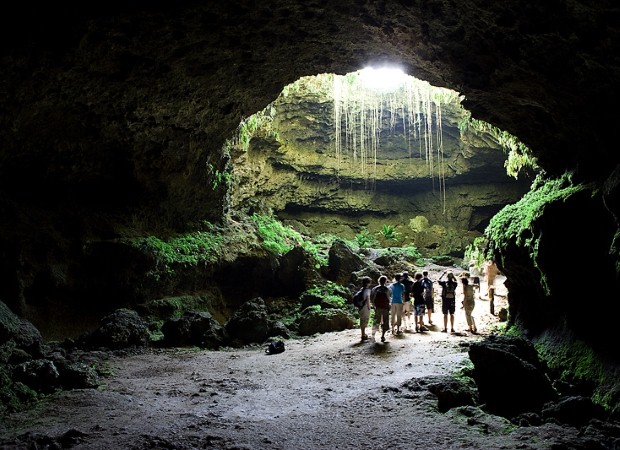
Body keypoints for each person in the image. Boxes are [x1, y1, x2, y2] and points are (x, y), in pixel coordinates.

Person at [371, 275, 392, 342]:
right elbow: (389, 299)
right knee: (385, 321)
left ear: (379, 281)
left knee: (376, 321)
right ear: (385, 281)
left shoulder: (375, 289)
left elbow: (372, 298)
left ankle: (373, 336)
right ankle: (382, 336)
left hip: (378, 307)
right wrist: (389, 306)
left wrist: (374, 306)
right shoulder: (387, 289)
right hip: (385, 307)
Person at [357, 276, 372, 342]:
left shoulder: (361, 289)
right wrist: (369, 307)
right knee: (365, 320)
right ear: (368, 283)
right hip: (365, 306)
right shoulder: (367, 290)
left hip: (360, 306)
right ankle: (363, 335)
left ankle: (363, 333)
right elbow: (368, 299)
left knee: (362, 319)